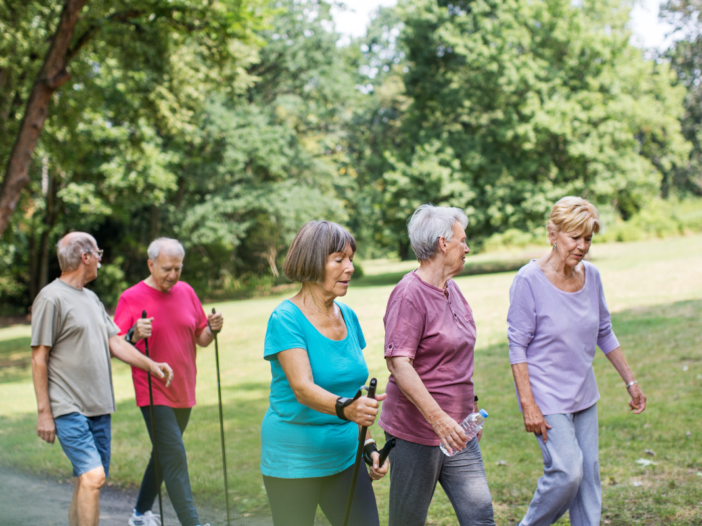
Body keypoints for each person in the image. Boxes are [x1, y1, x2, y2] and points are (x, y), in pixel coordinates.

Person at [507, 196, 647, 526]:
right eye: (575, 237)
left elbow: (604, 331)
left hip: (583, 393)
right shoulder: (528, 280)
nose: (583, 246)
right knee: (567, 472)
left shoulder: (592, 276)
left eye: (588, 238)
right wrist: (528, 404)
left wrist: (631, 382)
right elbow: (517, 348)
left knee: (588, 479)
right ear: (552, 233)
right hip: (546, 396)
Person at [31, 232, 174, 526]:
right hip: (68, 406)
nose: (100, 259)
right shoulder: (51, 297)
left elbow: (116, 343)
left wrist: (152, 365)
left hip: (98, 407)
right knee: (93, 478)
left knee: (85, 482)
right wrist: (44, 413)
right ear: (85, 257)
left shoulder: (91, 298)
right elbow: (39, 357)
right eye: (98, 253)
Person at [260, 221, 388, 526]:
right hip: (293, 460)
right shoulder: (286, 318)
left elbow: (355, 392)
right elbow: (302, 388)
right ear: (314, 262)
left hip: (345, 456)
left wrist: (369, 445)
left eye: (351, 259)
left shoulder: (348, 316)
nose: (350, 268)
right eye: (339, 259)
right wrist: (348, 408)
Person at [379, 204, 495, 526]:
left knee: (480, 517)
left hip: (459, 431)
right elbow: (398, 363)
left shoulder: (452, 290)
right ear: (443, 244)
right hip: (416, 432)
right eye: (462, 240)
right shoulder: (409, 295)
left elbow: (458, 356)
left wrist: (469, 409)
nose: (467, 248)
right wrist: (440, 421)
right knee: (407, 521)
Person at [114, 238, 224, 526]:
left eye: (178, 268)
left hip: (184, 388)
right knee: (174, 454)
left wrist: (212, 330)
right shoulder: (131, 298)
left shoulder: (186, 291)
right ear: (150, 265)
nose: (173, 275)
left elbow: (201, 338)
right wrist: (134, 335)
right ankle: (192, 523)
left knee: (163, 453)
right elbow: (116, 345)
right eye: (167, 269)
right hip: (152, 390)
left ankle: (139, 514)